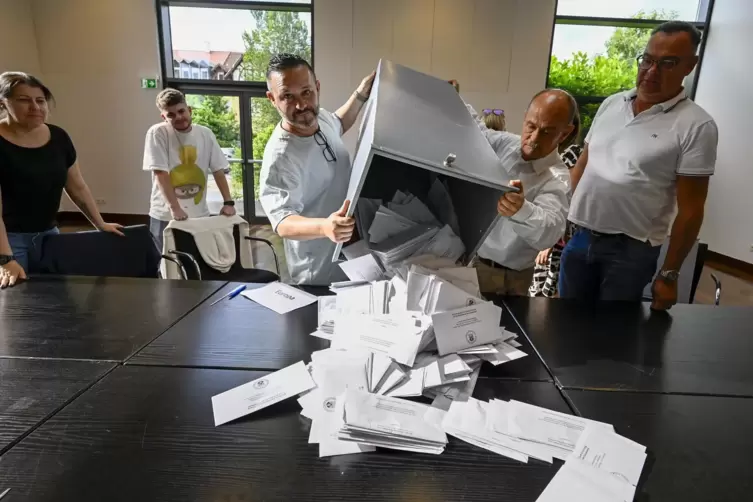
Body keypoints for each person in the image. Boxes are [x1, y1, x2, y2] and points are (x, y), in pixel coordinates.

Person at [560, 21, 718, 309]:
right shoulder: (611, 104)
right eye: (648, 59)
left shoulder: (697, 125)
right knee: (562, 324)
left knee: (611, 339)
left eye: (668, 63)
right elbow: (583, 165)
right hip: (580, 238)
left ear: (690, 65)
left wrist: (669, 275)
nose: (651, 71)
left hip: (630, 251)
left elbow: (692, 210)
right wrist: (557, 220)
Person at [259, 53, 375, 285]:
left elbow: (340, 122)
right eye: (287, 97)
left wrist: (361, 94)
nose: (301, 105)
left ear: (317, 87)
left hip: (349, 252)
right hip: (318, 272)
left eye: (306, 92)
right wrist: (324, 226)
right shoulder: (281, 158)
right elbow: (283, 222)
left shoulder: (319, 118)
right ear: (272, 99)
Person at [0, 72, 123, 289]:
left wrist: (99, 223)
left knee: (56, 299)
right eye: (24, 100)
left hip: (49, 234)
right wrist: (5, 259)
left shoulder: (58, 137)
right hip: (8, 239)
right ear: (4, 103)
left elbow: (76, 185)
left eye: (40, 100)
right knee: (18, 309)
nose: (35, 107)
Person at [470, 89, 577, 296]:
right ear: (525, 117)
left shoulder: (557, 178)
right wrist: (451, 97)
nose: (534, 138)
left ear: (564, 133)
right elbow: (476, 130)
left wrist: (522, 209)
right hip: (471, 263)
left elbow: (550, 230)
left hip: (509, 280)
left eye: (547, 131)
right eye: (531, 126)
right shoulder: (505, 144)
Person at [143, 88, 235, 251]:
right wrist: (174, 207)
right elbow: (160, 173)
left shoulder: (205, 133)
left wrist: (228, 202)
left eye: (181, 111)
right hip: (166, 214)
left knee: (201, 258)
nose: (178, 117)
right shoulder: (158, 133)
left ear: (189, 110)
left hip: (199, 213)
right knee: (165, 262)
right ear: (163, 117)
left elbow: (218, 170)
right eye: (171, 114)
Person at [529, 143, 583, 297]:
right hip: (552, 246)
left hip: (563, 248)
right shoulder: (559, 184)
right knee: (539, 291)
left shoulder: (579, 192)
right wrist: (547, 245)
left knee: (554, 291)